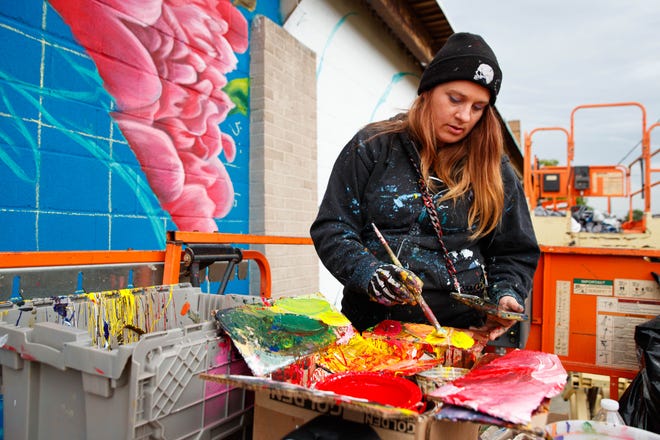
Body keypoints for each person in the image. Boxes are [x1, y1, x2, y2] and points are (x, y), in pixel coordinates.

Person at [310, 32, 540, 340]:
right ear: (428, 91)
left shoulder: (493, 168)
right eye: (455, 99)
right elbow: (333, 228)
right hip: (370, 332)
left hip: (459, 337)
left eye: (478, 107)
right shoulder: (373, 146)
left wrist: (507, 292)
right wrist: (370, 272)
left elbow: (513, 250)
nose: (464, 116)